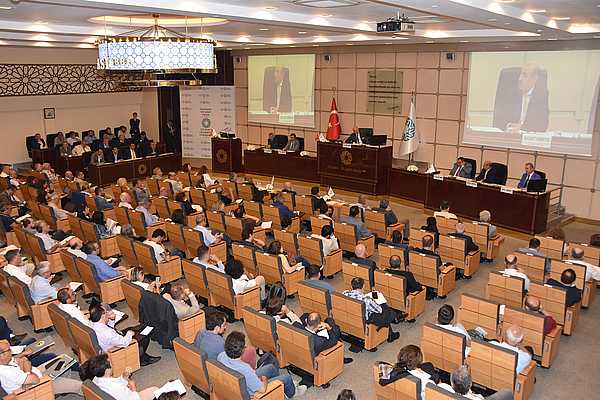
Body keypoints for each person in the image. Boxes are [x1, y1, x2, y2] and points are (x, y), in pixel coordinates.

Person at [217, 331, 305, 398]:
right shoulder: (245, 369)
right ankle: (292, 393)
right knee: (287, 378)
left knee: (270, 367)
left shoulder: (221, 356)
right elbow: (262, 390)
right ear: (242, 350)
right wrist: (264, 379)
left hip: (242, 383)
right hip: (254, 394)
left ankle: (279, 390)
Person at [0, 339, 82, 397]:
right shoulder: (7, 372)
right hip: (37, 387)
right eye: (9, 350)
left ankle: (61, 390)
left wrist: (23, 359)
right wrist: (27, 368)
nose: (11, 351)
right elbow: (35, 380)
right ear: (1, 355)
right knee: (79, 386)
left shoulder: (4, 361)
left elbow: (21, 360)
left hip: (35, 375)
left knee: (64, 361)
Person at [89, 303, 160, 366]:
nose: (108, 313)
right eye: (106, 312)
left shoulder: (93, 324)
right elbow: (124, 343)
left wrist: (112, 320)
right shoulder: (108, 333)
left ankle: (141, 353)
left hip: (113, 341)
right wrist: (129, 334)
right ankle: (141, 358)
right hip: (116, 350)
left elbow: (109, 328)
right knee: (144, 337)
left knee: (134, 328)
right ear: (102, 316)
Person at [492, 63, 549, 133]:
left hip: (528, 137)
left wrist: (522, 128)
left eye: (524, 75)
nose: (520, 79)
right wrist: (509, 126)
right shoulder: (510, 94)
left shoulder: (540, 96)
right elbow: (499, 120)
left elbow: (542, 125)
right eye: (520, 75)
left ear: (534, 79)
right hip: (510, 135)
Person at [342, 277, 400, 343]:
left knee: (385, 310)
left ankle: (391, 330)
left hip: (350, 316)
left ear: (351, 286)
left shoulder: (345, 293)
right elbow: (379, 310)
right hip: (365, 320)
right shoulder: (367, 300)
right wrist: (376, 302)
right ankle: (391, 331)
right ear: (363, 286)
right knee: (385, 308)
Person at [79, 354, 158, 400]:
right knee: (155, 390)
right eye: (111, 363)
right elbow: (134, 399)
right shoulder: (114, 387)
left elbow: (116, 382)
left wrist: (124, 376)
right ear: (107, 370)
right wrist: (133, 388)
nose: (112, 364)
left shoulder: (96, 378)